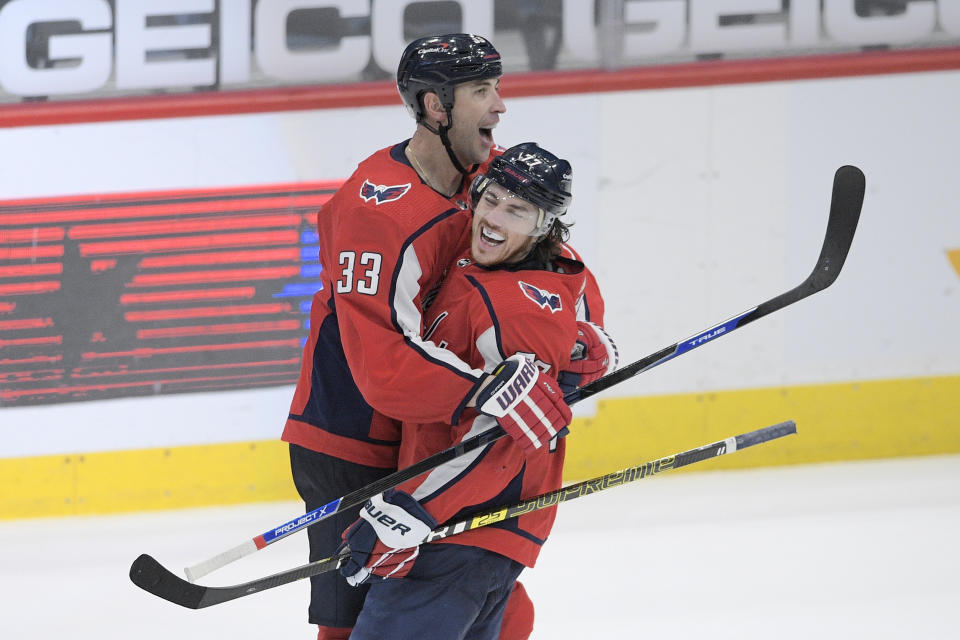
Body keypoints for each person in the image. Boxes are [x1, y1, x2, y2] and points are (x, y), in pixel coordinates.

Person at [282, 34, 614, 640]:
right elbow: (382, 364)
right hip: (352, 435)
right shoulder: (376, 211)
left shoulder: (488, 175)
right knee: (357, 620)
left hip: (431, 434)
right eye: (482, 91)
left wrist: (581, 332)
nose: (500, 107)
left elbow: (551, 255)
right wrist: (490, 390)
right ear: (436, 107)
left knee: (485, 590)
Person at [340, 142, 600, 640]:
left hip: (456, 535)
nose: (494, 217)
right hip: (479, 542)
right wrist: (586, 342)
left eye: (517, 209)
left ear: (544, 225)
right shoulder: (499, 269)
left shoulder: (516, 310)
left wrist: (412, 511)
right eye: (491, 197)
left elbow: (499, 444)